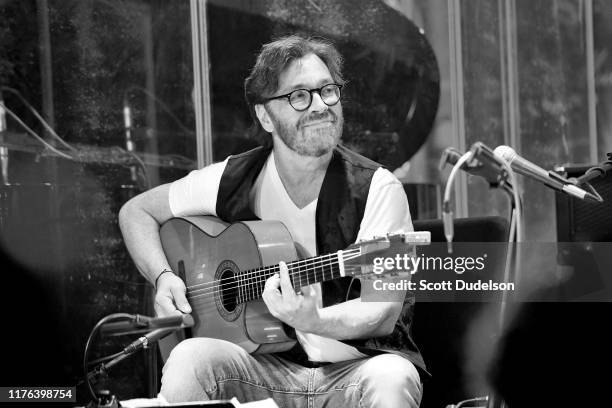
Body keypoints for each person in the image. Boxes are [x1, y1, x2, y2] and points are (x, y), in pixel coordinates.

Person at [119, 34, 426, 408]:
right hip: (264, 370)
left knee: (394, 378)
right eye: (299, 95)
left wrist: (315, 320)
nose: (319, 106)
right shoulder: (231, 180)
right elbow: (136, 212)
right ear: (265, 115)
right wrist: (164, 278)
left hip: (357, 372)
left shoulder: (378, 189)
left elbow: (383, 310)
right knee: (190, 358)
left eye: (328, 91)